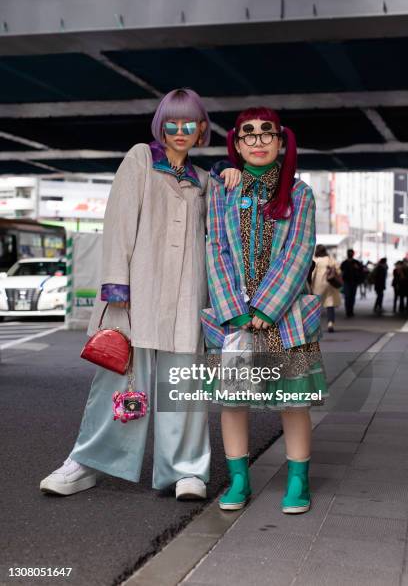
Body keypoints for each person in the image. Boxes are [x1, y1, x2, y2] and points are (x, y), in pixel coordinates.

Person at [39, 88, 241, 499]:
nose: (181, 130)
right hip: (137, 293)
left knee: (183, 384)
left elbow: (227, 232)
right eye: (173, 122)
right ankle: (88, 462)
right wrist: (116, 287)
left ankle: (187, 471)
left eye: (190, 123)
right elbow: (117, 223)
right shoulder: (140, 160)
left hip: (187, 298)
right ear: (161, 125)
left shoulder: (205, 181)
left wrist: (228, 172)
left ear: (202, 128)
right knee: (119, 380)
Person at [202, 107, 329, 514]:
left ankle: (298, 481)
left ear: (280, 141)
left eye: (266, 134)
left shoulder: (300, 192)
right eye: (248, 135)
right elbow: (216, 249)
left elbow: (298, 252)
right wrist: (236, 310)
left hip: (285, 315)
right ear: (237, 145)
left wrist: (267, 307)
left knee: (295, 401)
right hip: (236, 316)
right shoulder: (223, 191)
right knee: (234, 400)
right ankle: (239, 480)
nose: (258, 142)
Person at [311, 244, 342, 332]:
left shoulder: (316, 260)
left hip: (318, 285)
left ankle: (314, 326)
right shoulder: (330, 259)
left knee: (316, 306)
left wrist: (310, 284)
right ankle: (330, 324)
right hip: (330, 284)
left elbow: (312, 273)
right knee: (330, 305)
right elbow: (338, 270)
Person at [340, 249, 363, 317]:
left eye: (351, 253)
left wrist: (358, 268)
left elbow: (361, 270)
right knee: (347, 297)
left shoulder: (356, 262)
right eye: (349, 253)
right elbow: (341, 271)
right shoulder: (344, 263)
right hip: (346, 282)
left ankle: (351, 311)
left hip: (354, 282)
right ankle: (348, 311)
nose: (350, 254)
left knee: (352, 297)